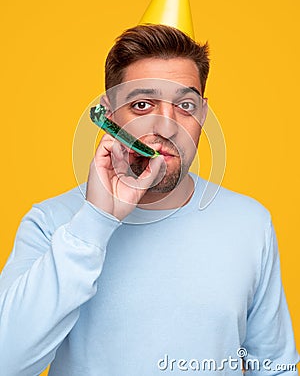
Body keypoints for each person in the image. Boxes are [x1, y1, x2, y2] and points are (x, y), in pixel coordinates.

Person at [0, 24, 299, 376]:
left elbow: (274, 366)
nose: (167, 126)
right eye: (142, 104)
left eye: (185, 105)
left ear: (203, 114)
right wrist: (96, 219)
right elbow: (7, 362)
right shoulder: (51, 222)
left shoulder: (250, 223)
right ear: (108, 115)